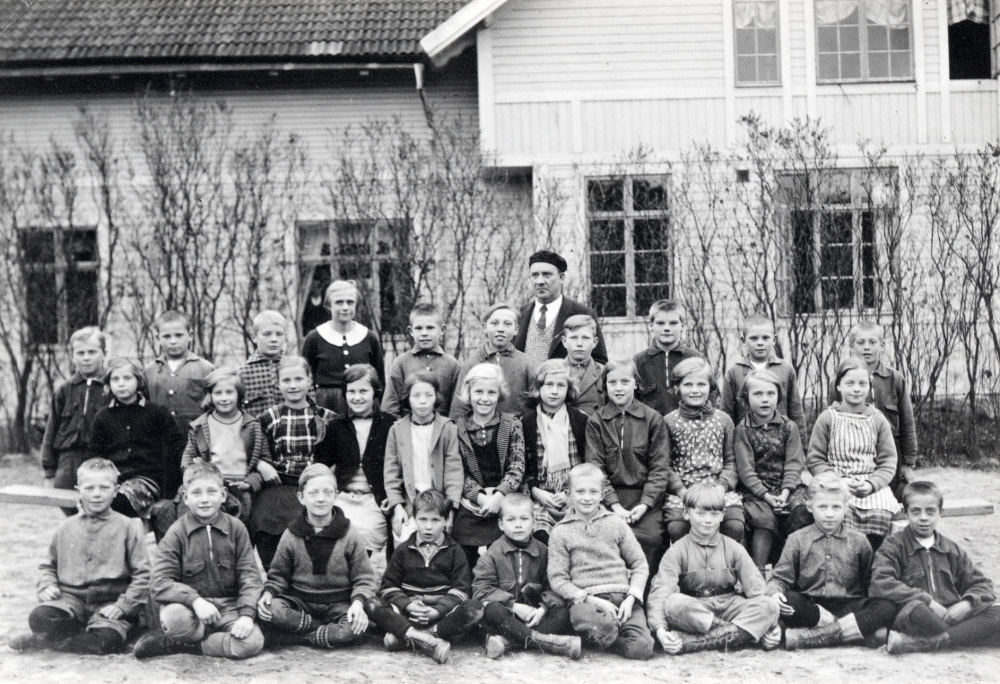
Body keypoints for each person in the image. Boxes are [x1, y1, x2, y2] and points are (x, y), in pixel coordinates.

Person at [8, 458, 150, 654]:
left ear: (116, 491)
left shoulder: (128, 527)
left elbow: (143, 575)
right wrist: (47, 585)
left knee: (107, 641)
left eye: (104, 488)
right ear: (78, 491)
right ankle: (73, 637)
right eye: (90, 488)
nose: (97, 494)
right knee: (39, 616)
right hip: (70, 602)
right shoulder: (65, 527)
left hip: (109, 602)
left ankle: (44, 641)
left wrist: (123, 606)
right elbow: (47, 566)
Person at [136, 462, 265, 660]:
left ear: (223, 495)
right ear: (186, 498)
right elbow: (159, 583)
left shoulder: (236, 528)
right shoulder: (177, 532)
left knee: (252, 642)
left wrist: (247, 615)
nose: (204, 500)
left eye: (211, 492)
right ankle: (200, 637)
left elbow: (250, 576)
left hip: (230, 608)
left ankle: (191, 646)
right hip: (192, 611)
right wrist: (195, 601)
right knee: (173, 618)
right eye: (196, 493)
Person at [767, 472, 898, 650]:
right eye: (822, 507)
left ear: (846, 507)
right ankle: (852, 633)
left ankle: (811, 637)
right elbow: (780, 578)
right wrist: (775, 592)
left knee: (887, 607)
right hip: (812, 606)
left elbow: (869, 582)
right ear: (810, 506)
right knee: (789, 601)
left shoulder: (859, 540)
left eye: (836, 507)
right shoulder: (796, 539)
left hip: (849, 606)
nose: (829, 514)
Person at [647, 483, 780, 654]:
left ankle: (694, 642)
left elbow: (757, 590)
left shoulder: (734, 547)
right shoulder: (677, 551)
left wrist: (773, 628)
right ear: (686, 514)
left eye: (714, 514)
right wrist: (660, 631)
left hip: (731, 605)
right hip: (697, 609)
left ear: (723, 515)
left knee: (769, 605)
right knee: (674, 603)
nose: (708, 520)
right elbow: (661, 592)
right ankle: (739, 634)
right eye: (700, 513)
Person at [257, 464, 376, 649]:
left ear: (336, 496)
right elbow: (278, 576)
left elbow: (365, 579)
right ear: (301, 497)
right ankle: (324, 631)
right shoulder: (291, 535)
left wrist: (358, 604)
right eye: (313, 493)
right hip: (300, 603)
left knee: (353, 626)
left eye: (328, 492)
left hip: (338, 604)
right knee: (272, 610)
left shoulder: (350, 534)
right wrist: (268, 592)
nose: (321, 499)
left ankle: (300, 638)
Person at [872, 481, 1000, 653]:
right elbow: (881, 582)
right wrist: (929, 602)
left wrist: (966, 604)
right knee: (916, 610)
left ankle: (927, 642)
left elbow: (982, 585)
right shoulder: (894, 545)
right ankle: (965, 635)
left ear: (941, 512)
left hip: (951, 616)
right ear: (905, 512)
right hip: (918, 616)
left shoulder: (951, 549)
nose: (923, 517)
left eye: (930, 511)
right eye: (916, 511)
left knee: (997, 610)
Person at [547, 463, 654, 660]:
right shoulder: (560, 532)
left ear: (603, 494)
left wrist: (631, 598)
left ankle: (602, 639)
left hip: (622, 599)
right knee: (590, 619)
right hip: (588, 602)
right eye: (580, 491)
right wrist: (588, 598)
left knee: (643, 648)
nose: (587, 498)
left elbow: (640, 564)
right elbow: (557, 578)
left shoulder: (616, 523)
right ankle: (603, 631)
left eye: (593, 491)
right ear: (568, 493)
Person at [364, 489, 484, 664]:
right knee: (372, 604)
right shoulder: (403, 550)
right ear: (414, 519)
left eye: (435, 520)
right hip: (408, 612)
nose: (428, 526)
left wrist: (437, 611)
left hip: (441, 614)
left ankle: (406, 637)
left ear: (445, 520)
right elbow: (389, 586)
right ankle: (426, 639)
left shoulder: (455, 551)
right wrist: (409, 606)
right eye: (423, 519)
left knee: (475, 608)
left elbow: (461, 589)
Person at [585, 358, 670, 574]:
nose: (619, 388)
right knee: (606, 537)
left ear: (636, 384)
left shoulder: (653, 419)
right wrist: (614, 506)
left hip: (645, 499)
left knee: (650, 538)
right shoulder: (596, 422)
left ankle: (644, 594)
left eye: (625, 381)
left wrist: (645, 504)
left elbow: (660, 469)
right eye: (612, 383)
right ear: (605, 386)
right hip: (609, 498)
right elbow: (595, 470)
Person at [252, 356, 338, 569]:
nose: (293, 385)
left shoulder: (327, 417)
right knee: (263, 520)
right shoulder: (268, 417)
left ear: (310, 381)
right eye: (286, 380)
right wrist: (262, 465)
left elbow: (338, 457)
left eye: (299, 379)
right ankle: (274, 574)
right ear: (277, 384)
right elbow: (254, 449)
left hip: (313, 485)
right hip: (278, 484)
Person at [472, 493, 581, 659]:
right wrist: (514, 606)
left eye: (524, 519)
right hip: (507, 617)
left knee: (562, 613)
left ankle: (507, 643)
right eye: (511, 520)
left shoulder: (544, 551)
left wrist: (542, 609)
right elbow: (481, 589)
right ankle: (547, 642)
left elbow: (554, 586)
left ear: (534, 522)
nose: (518, 525)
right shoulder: (493, 552)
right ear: (501, 524)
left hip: (535, 617)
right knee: (491, 610)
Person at [808, 357, 899, 550]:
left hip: (868, 485)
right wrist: (837, 481)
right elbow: (815, 458)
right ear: (839, 386)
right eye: (850, 383)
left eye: (862, 384)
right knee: (839, 514)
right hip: (834, 482)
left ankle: (869, 569)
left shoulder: (877, 420)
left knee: (880, 513)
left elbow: (888, 461)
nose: (856, 389)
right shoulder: (827, 418)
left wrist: (871, 484)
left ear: (870, 387)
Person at [828, 321, 918, 502]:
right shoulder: (839, 382)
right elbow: (831, 424)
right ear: (851, 347)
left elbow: (908, 423)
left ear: (882, 346)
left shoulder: (895, 379)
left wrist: (908, 463)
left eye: (872, 342)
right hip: (852, 458)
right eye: (860, 343)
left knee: (894, 502)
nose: (867, 348)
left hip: (889, 456)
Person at [89, 357, 186, 525]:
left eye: (127, 378)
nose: (121, 384)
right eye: (115, 379)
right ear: (108, 383)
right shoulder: (103, 416)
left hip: (147, 478)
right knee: (94, 500)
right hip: (113, 478)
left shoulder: (156, 412)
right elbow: (94, 454)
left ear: (139, 381)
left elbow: (178, 447)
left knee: (118, 501)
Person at [735, 369, 810, 572]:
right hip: (757, 492)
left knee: (802, 514)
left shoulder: (789, 427)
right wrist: (768, 497)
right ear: (746, 398)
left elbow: (795, 463)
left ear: (779, 396)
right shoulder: (743, 429)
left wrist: (785, 494)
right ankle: (757, 573)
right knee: (764, 519)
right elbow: (746, 469)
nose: (765, 400)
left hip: (788, 488)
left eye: (770, 394)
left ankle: (790, 572)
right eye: (757, 394)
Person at [451, 363, 526, 567]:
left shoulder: (512, 424)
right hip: (474, 502)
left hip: (506, 498)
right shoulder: (457, 427)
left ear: (499, 394)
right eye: (479, 392)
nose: (485, 398)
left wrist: (499, 496)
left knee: (504, 547)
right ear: (468, 393)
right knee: (462, 546)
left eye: (491, 392)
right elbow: (459, 472)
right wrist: (482, 498)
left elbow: (517, 466)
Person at [663, 357, 744, 544]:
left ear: (711, 387)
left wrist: (721, 489)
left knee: (734, 525)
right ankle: (687, 570)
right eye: (688, 385)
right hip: (683, 492)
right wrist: (683, 492)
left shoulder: (723, 420)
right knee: (678, 527)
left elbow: (731, 462)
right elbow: (664, 466)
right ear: (677, 388)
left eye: (701, 384)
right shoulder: (668, 422)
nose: (695, 390)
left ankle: (727, 569)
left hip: (717, 490)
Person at [325, 364, 394, 571]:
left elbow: (399, 466)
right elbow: (323, 464)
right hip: (344, 497)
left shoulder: (389, 424)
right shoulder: (336, 426)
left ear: (375, 392)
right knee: (336, 533)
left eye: (363, 391)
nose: (357, 397)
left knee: (366, 533)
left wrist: (393, 495)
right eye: (351, 391)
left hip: (375, 499)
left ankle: (359, 581)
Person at [180, 367, 269, 525]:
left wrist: (249, 483)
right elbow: (187, 458)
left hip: (240, 487)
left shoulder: (252, 426)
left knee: (239, 528)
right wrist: (195, 472)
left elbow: (264, 460)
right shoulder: (200, 426)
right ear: (210, 395)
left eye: (229, 392)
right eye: (218, 393)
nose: (224, 398)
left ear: (239, 394)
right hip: (209, 485)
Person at [383, 372, 464, 543]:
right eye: (416, 395)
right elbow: (391, 474)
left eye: (428, 395)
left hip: (440, 505)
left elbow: (454, 472)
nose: (422, 401)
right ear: (407, 398)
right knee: (406, 545)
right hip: (410, 504)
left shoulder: (447, 428)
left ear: (436, 397)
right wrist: (397, 506)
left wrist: (449, 510)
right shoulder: (396, 430)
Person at [41, 326, 107, 515]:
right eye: (80, 353)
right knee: (72, 517)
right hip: (68, 463)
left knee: (99, 514)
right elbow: (51, 431)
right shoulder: (64, 390)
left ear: (104, 353)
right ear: (73, 356)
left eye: (92, 352)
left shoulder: (113, 387)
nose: (86, 357)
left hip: (101, 461)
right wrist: (49, 472)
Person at [523, 359, 588, 543]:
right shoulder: (526, 423)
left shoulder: (580, 421)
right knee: (538, 537)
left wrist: (570, 494)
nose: (554, 391)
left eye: (561, 385)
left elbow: (588, 464)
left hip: (575, 495)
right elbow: (523, 468)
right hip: (540, 498)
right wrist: (536, 492)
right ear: (538, 387)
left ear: (569, 389)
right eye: (549, 384)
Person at [301, 280, 385, 415]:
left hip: (363, 402)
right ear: (328, 305)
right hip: (327, 404)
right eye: (339, 302)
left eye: (350, 302)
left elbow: (379, 380)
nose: (345, 307)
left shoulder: (369, 337)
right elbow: (305, 379)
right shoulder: (314, 338)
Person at [513, 250, 608, 365]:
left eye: (547, 274)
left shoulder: (582, 313)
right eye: (535, 275)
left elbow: (599, 361)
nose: (540, 281)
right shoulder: (519, 314)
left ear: (562, 278)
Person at [720, 313, 807, 439]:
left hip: (780, 442)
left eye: (765, 338)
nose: (760, 343)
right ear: (743, 340)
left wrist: (802, 449)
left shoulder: (785, 369)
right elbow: (726, 415)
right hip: (745, 445)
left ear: (774, 340)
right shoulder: (734, 372)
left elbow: (796, 412)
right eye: (754, 338)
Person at [450, 303, 537, 418]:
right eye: (494, 323)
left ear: (516, 329)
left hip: (517, 432)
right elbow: (459, 409)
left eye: (507, 324)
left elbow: (536, 403)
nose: (500, 329)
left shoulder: (527, 363)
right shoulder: (471, 364)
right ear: (485, 327)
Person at [380, 303, 460, 418]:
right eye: (418, 328)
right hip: (407, 432)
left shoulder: (452, 364)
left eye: (430, 328)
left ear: (442, 329)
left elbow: (457, 409)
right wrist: (400, 432)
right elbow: (389, 407)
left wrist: (448, 432)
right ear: (411, 331)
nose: (424, 333)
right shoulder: (401, 363)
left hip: (442, 432)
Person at [145, 310, 215, 435]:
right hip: (160, 440)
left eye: (179, 335)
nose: (173, 341)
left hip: (195, 438)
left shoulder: (206, 368)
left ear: (190, 335)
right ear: (158, 338)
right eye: (167, 336)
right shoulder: (149, 371)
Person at [633, 299, 705, 416]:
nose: (666, 328)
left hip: (687, 427)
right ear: (651, 325)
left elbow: (709, 396)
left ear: (682, 325)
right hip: (651, 430)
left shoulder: (695, 359)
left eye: (673, 323)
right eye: (660, 323)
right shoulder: (639, 361)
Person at [239, 310, 288, 419]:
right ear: (254, 337)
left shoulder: (294, 368)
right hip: (256, 434)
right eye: (267, 334)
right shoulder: (243, 373)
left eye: (279, 334)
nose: (274, 339)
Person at [561, 314, 605, 415]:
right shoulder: (554, 372)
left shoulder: (604, 373)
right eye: (573, 338)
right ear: (564, 341)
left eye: (585, 338)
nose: (579, 343)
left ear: (594, 342)